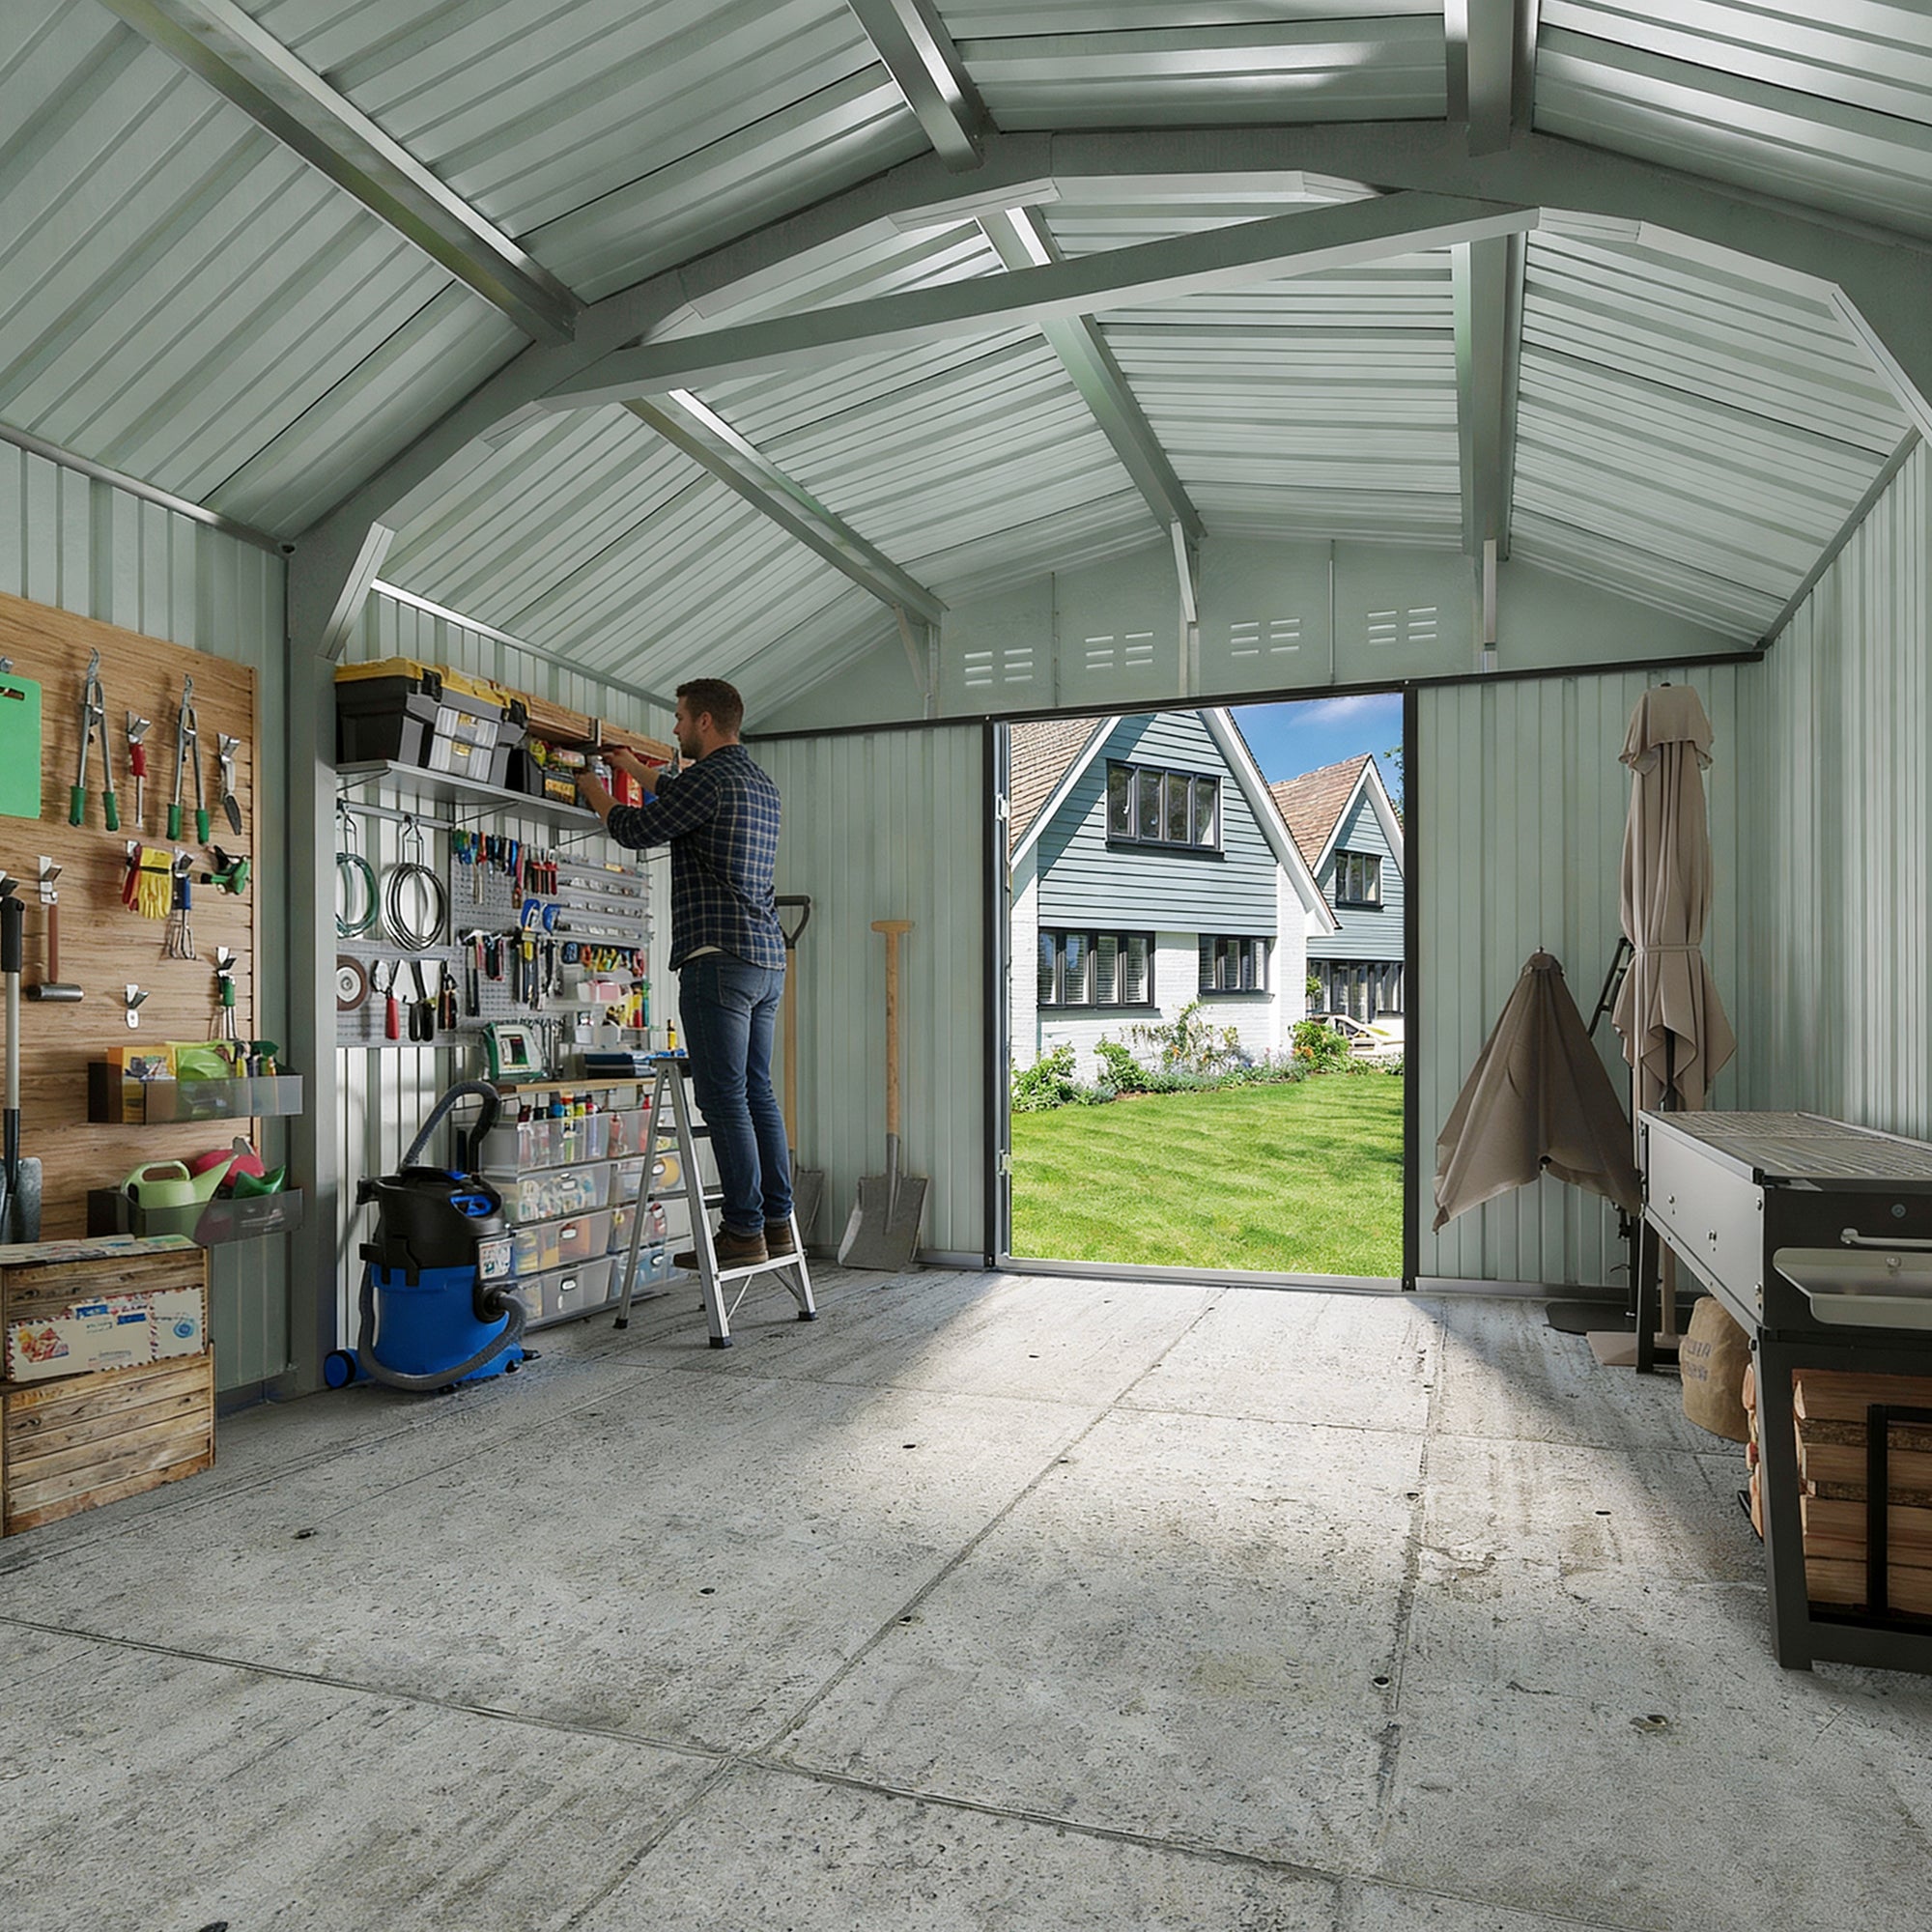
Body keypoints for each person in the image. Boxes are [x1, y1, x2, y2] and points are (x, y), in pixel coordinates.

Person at [576, 679, 792, 1269]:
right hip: (765, 961)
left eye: (678, 719)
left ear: (702, 721)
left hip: (716, 960)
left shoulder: (709, 779)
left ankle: (742, 1231)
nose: (673, 729)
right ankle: (778, 1225)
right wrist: (634, 769)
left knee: (723, 1099)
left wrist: (591, 784)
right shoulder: (757, 784)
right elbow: (676, 796)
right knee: (757, 1095)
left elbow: (635, 829)